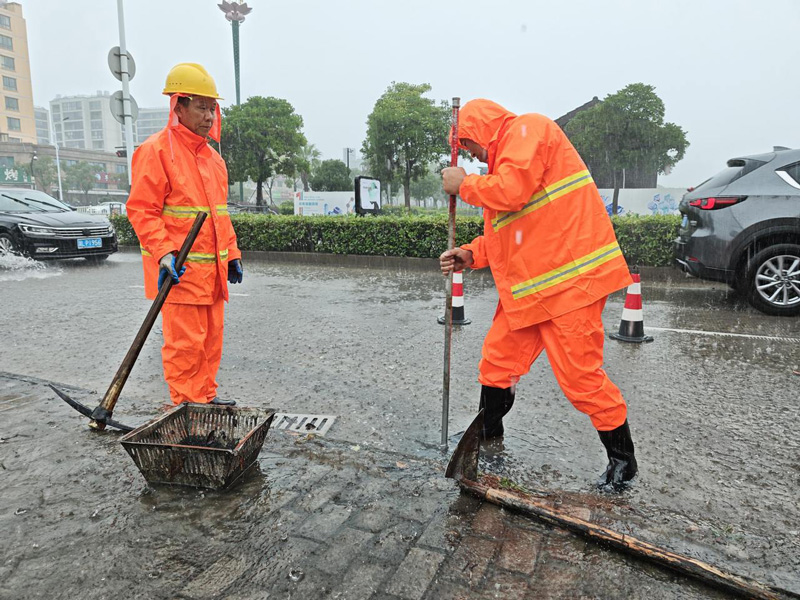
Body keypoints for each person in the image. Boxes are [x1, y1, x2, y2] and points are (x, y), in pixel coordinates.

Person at [440, 99, 637, 490]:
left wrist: (464, 185)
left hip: (570, 287)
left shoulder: (528, 130)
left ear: (477, 132)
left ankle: (623, 463)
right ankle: (486, 441)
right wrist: (469, 254)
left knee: (582, 380)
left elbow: (512, 193)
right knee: (496, 366)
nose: (473, 157)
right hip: (531, 293)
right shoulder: (505, 164)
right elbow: (510, 232)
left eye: (469, 147)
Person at [127, 63, 243, 407]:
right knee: (185, 345)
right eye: (201, 107)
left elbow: (219, 214)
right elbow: (142, 210)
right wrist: (164, 254)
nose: (209, 116)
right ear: (178, 105)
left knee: (210, 341)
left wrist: (232, 254)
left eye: (212, 108)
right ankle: (187, 406)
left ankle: (204, 398)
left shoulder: (212, 158)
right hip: (179, 272)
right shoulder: (157, 150)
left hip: (214, 274)